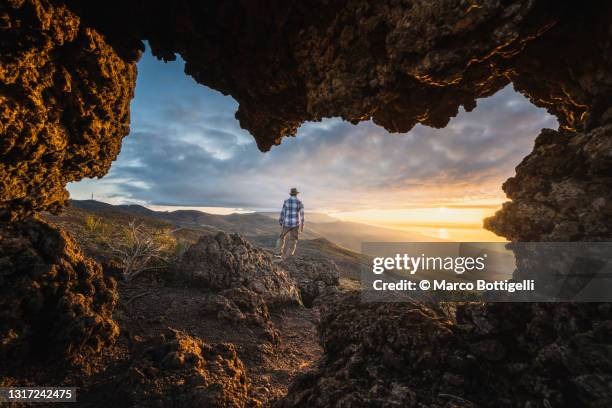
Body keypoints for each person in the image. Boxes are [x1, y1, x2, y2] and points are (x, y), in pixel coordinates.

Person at [277, 187, 304, 259]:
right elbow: (302, 215)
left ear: (291, 194)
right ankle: (287, 256)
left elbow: (283, 212)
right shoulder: (299, 202)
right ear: (296, 194)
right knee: (293, 240)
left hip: (286, 223)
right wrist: (302, 226)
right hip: (295, 224)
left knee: (281, 237)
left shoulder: (286, 201)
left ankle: (278, 253)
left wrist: (280, 220)